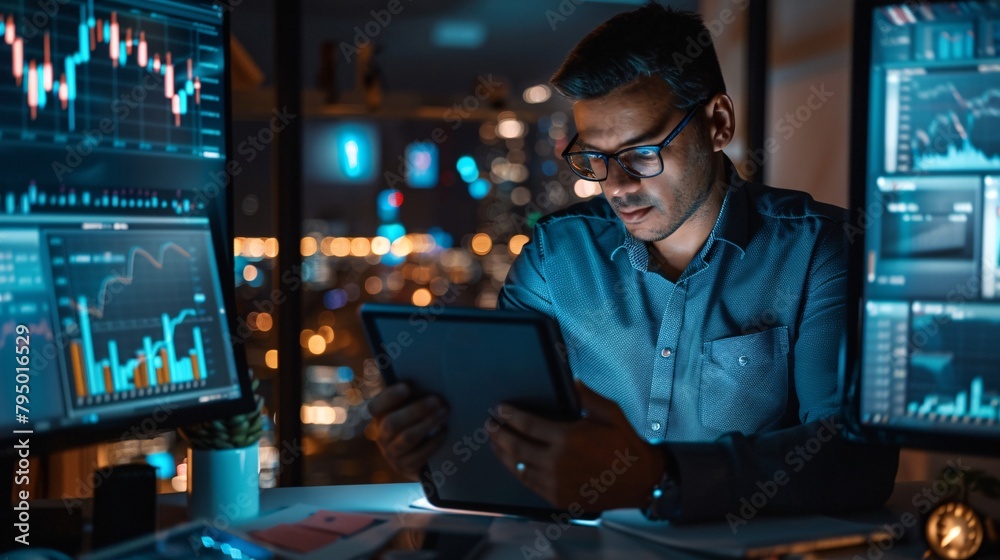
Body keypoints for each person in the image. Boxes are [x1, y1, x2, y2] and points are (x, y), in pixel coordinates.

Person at [368, 1, 898, 523]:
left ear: (717, 123)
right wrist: (439, 441)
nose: (616, 186)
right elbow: (504, 421)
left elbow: (855, 458)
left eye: (642, 152)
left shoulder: (818, 250)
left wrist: (659, 477)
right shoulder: (557, 256)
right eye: (594, 157)